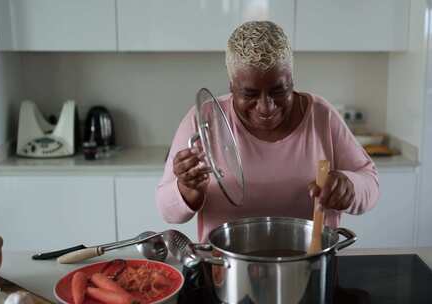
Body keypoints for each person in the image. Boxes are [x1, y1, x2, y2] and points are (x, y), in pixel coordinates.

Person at [157, 21, 379, 242]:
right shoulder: (204, 119)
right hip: (224, 270)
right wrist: (187, 189)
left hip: (311, 267)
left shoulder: (322, 116)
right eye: (250, 94)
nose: (266, 107)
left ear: (292, 81)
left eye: (278, 90)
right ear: (231, 87)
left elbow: (370, 183)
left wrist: (349, 187)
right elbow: (168, 211)